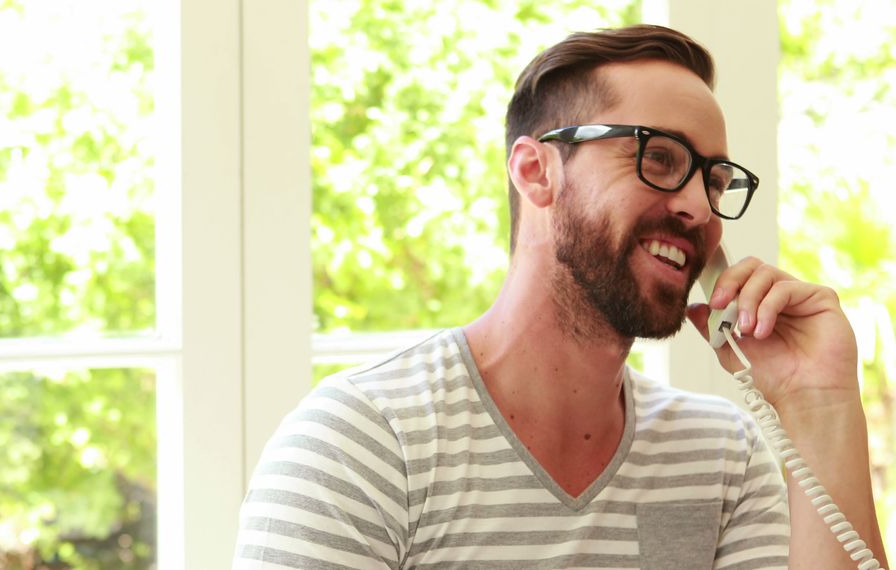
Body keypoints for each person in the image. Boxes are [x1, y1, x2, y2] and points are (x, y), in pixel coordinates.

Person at [233, 24, 889, 569]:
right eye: (657, 158)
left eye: (715, 181)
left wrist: (821, 405)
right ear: (535, 171)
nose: (698, 206)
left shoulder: (720, 457)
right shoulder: (362, 443)